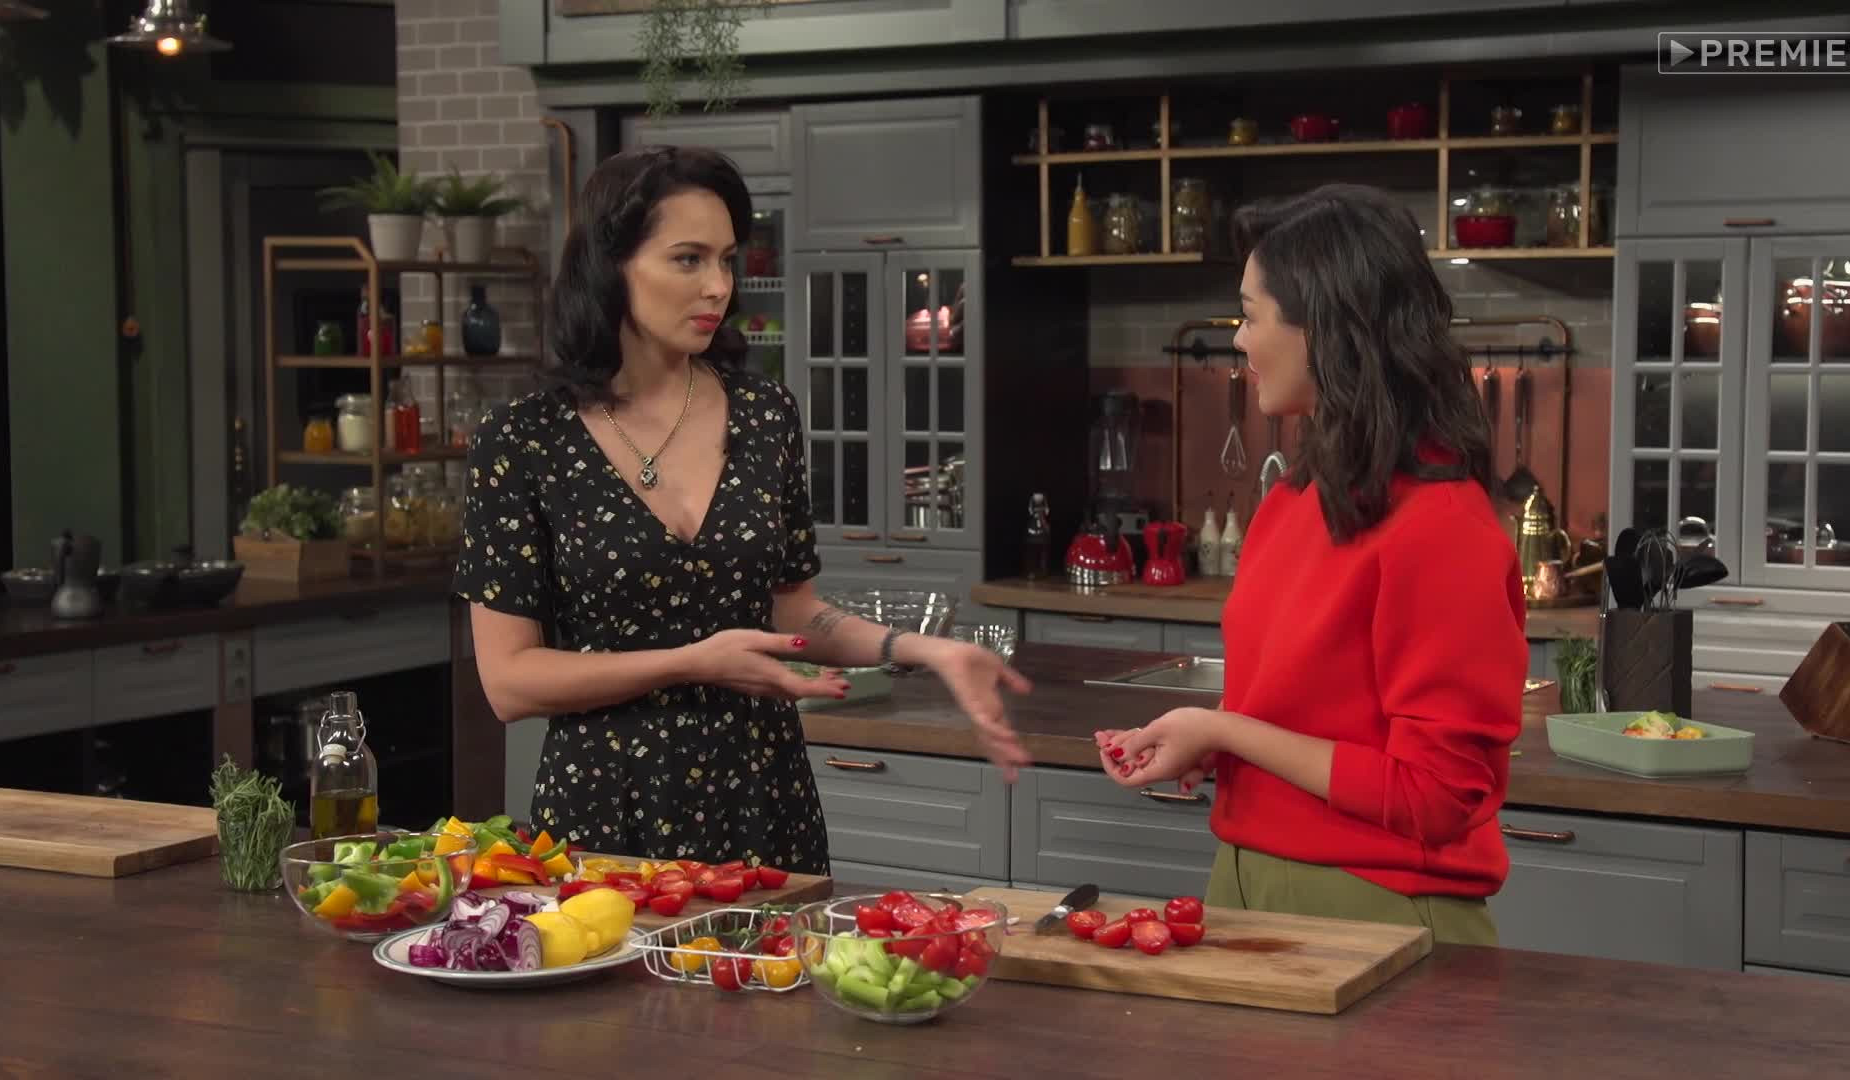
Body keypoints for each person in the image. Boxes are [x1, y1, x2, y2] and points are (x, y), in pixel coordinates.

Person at [453, 146, 1031, 875]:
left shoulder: (764, 413)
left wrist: (923, 650)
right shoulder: (524, 439)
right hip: (606, 810)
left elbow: (794, 612)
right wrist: (692, 663)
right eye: (688, 259)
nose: (718, 286)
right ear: (610, 264)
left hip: (763, 797)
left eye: (727, 260)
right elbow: (509, 683)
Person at [1095, 183, 1526, 945]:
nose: (1239, 341)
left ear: (1326, 330)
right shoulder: (1295, 499)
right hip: (1242, 877)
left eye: (1250, 315)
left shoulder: (1441, 526)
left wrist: (1226, 731)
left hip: (1379, 909)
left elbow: (1436, 796)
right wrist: (1215, 741)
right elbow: (1301, 714)